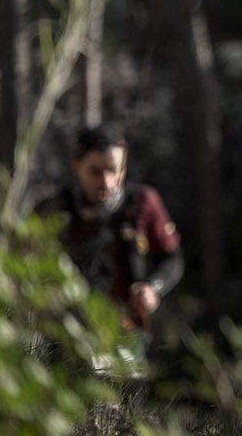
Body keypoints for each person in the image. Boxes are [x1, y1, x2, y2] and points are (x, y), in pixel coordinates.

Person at [52, 124, 184, 335]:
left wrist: (153, 287)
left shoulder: (142, 202)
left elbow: (171, 257)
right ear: (77, 165)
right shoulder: (54, 209)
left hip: (126, 332)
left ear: (123, 169)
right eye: (95, 172)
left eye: (112, 170)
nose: (105, 181)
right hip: (67, 332)